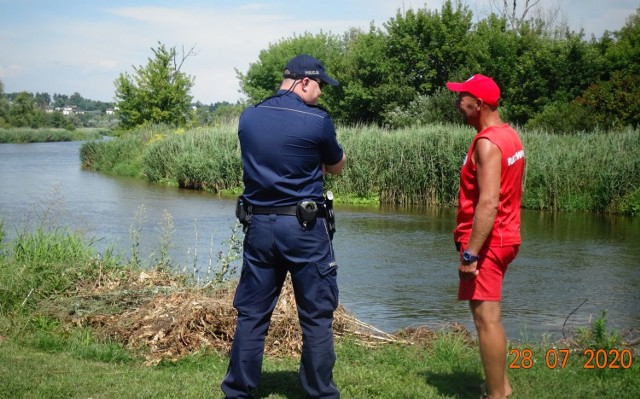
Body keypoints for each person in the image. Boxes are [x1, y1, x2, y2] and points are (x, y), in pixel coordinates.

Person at [221, 54, 346, 399]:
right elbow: (336, 166)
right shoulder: (317, 122)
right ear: (303, 82)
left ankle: (237, 391)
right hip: (304, 228)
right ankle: (320, 393)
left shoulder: (249, 117)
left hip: (258, 225)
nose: (321, 94)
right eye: (319, 86)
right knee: (317, 315)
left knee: (252, 314)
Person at [445, 74, 525, 399]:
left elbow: (489, 202)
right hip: (505, 236)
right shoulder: (509, 136)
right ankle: (500, 385)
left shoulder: (487, 143)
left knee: (486, 320)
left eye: (461, 98)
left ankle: (496, 395)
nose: (457, 104)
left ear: (478, 104)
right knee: (490, 317)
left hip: (488, 244)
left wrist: (470, 254)